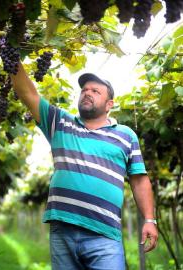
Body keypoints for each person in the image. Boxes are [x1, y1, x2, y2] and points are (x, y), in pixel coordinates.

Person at [10, 63, 158, 269]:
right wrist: (11, 52)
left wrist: (150, 220)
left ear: (109, 104)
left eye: (95, 91)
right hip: (63, 230)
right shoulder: (60, 123)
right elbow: (28, 93)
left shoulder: (125, 135)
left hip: (104, 233)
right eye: (84, 90)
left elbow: (139, 180)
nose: (87, 93)